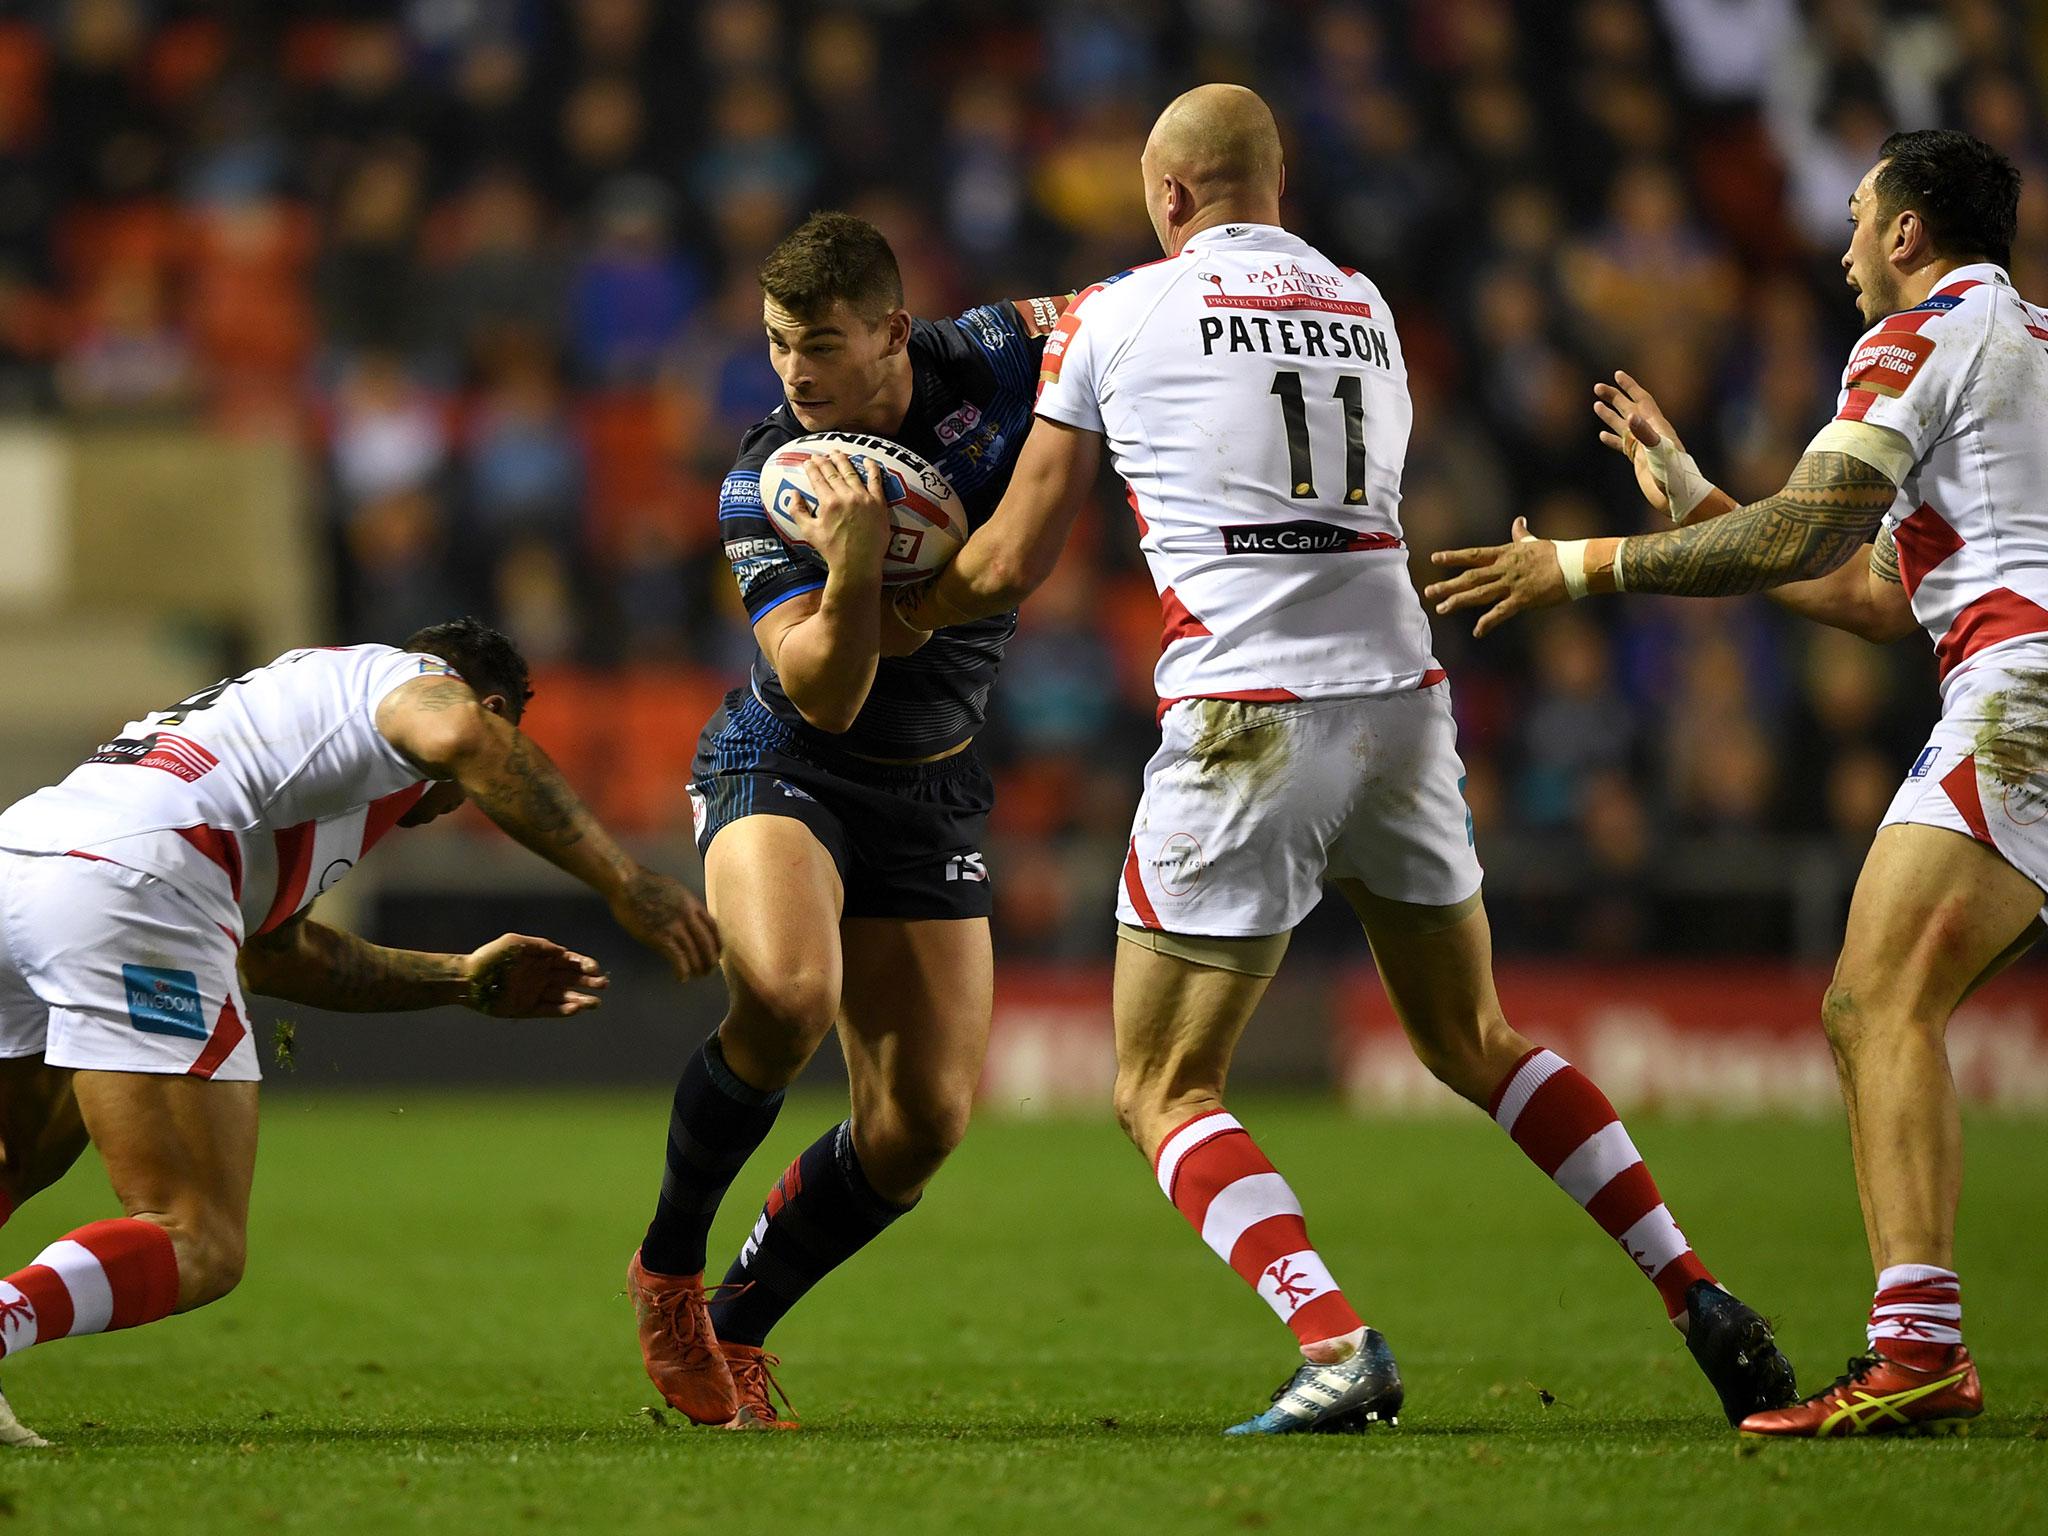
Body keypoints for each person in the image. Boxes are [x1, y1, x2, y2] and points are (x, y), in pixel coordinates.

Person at [893, 84, 1795, 1435]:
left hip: (1249, 715)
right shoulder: (1367, 307)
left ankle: (1333, 1343)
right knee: (1474, 1037)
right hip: (1402, 702)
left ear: (1171, 196)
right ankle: (1696, 1290)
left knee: (1159, 1085)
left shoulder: (1115, 314)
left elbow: (1017, 558)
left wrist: (901, 607)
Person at [1427, 128, 2045, 1438]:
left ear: (1908, 234)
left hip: (2025, 691)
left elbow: (1813, 526)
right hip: (2015, 672)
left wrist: (1581, 567)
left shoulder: (1918, 340)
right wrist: (1700, 493)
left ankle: (1920, 1354)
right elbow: (1878, 594)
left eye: (1858, 217)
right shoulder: (2028, 350)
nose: (1838, 246)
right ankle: (1923, 1350)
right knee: (1892, 1004)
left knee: (1877, 1000)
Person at [0, 618, 719, 1445]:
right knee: (193, 1232)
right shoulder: (402, 683)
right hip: (137, 882)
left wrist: (459, 980)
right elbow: (460, 734)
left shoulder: (292, 731)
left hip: (27, 857)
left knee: (21, 1155)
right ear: (490, 704)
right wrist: (627, 883)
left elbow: (277, 957)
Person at [626, 212, 1071, 1430]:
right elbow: (823, 685)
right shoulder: (768, 477)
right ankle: (666, 1269)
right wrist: (857, 559)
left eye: (818, 343)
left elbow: (1105, 314)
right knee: (784, 996)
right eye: (775, 343)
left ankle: (736, 1324)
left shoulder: (987, 355)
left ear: (890, 330)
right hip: (792, 760)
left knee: (920, 1124)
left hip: (931, 782)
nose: (792, 373)